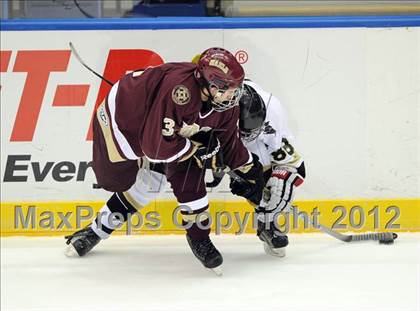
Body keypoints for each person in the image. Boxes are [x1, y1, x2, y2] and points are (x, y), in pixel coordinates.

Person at [64, 48, 265, 273]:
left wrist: (252, 173)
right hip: (123, 124)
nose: (234, 95)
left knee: (160, 182)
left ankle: (199, 239)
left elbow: (230, 146)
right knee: (115, 182)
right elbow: (155, 148)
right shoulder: (180, 93)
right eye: (230, 89)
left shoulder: (225, 105)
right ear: (212, 84)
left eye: (237, 88)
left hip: (166, 132)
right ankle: (94, 230)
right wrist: (193, 149)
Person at [229, 79, 306, 257]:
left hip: (261, 127)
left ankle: (267, 225)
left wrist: (270, 191)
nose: (250, 136)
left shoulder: (273, 109)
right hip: (231, 134)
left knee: (282, 180)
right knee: (252, 186)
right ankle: (266, 221)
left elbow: (295, 168)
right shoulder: (221, 114)